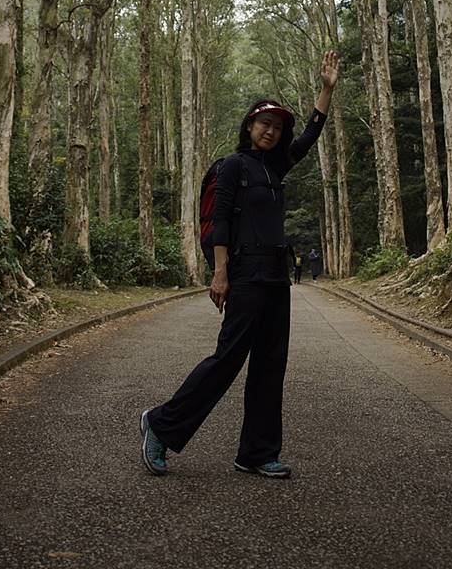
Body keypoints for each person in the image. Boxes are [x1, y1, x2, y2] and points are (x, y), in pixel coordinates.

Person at [140, 50, 340, 480]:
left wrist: (326, 90)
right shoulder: (233, 166)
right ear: (249, 126)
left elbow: (309, 135)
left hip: (276, 278)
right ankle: (160, 424)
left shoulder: (276, 167)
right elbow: (218, 221)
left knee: (271, 365)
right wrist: (220, 272)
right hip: (245, 275)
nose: (271, 131)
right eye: (264, 123)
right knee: (227, 360)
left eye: (277, 127)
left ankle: (256, 453)